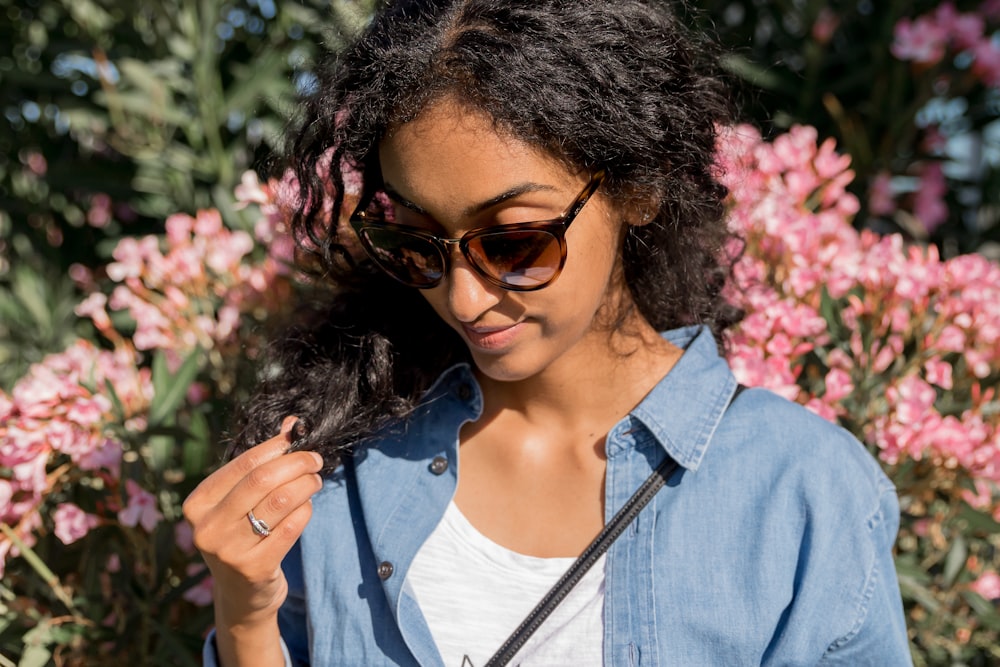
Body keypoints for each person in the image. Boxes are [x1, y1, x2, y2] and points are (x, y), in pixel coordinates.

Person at [183, 1, 913, 665]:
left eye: (512, 242)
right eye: (419, 243)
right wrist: (247, 614)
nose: (464, 298)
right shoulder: (345, 468)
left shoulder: (802, 493)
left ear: (639, 187)